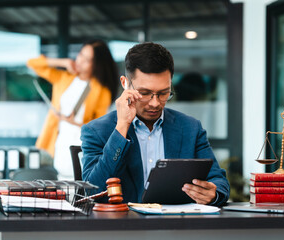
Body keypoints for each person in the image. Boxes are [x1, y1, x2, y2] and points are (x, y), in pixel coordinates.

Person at [80, 42, 229, 206]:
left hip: (176, 225)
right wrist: (122, 126)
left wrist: (212, 193)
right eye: (144, 93)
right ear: (125, 83)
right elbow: (92, 191)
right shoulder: (96, 131)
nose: (155, 103)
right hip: (124, 227)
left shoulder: (191, 128)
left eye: (164, 93)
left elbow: (218, 181)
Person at [27, 40, 118, 179]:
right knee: (62, 179)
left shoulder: (101, 91)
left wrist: (73, 122)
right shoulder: (64, 78)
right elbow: (32, 64)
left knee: (80, 182)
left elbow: (100, 128)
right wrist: (63, 62)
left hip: (82, 144)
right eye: (81, 54)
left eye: (87, 59)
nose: (80, 61)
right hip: (61, 141)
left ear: (96, 65)